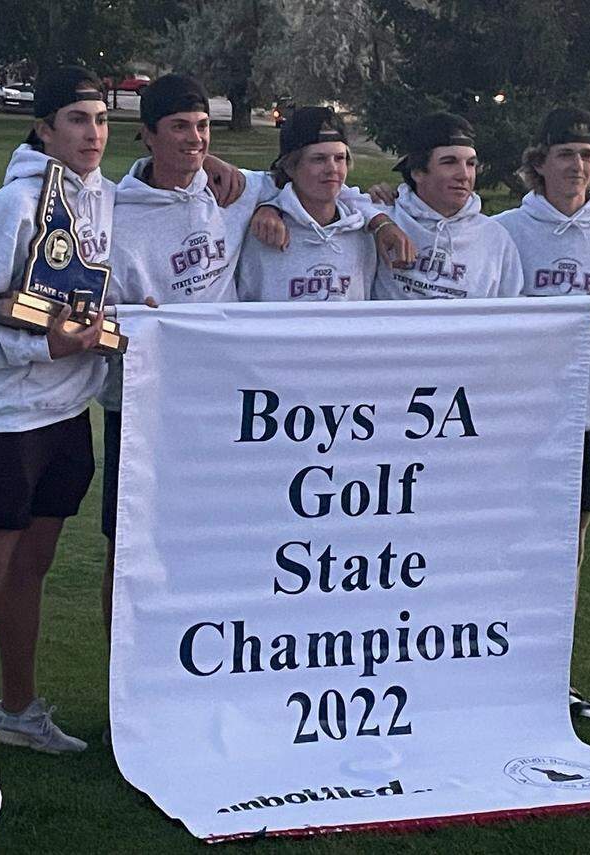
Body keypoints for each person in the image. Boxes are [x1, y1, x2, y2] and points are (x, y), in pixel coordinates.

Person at [98, 76, 412, 646]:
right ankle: (126, 690)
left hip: (227, 409)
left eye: (202, 128)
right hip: (143, 405)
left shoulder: (239, 195)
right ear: (145, 135)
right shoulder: (116, 214)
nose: (194, 139)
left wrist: (369, 214)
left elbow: (320, 189)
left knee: (220, 543)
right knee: (129, 547)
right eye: (179, 128)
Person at [0, 65, 115, 754]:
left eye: (100, 120)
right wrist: (43, 349)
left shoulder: (99, 199)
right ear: (45, 128)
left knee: (31, 566)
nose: (92, 133)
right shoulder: (8, 208)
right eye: (77, 119)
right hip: (9, 419)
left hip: (70, 414)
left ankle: (16, 711)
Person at [493, 107, 590, 720]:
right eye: (566, 154)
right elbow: (498, 319)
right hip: (525, 415)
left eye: (588, 156)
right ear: (540, 163)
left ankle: (554, 674)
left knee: (570, 550)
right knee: (510, 543)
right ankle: (496, 664)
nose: (578, 166)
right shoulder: (508, 228)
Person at [369, 112, 524, 301]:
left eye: (471, 164)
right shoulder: (381, 223)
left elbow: (511, 314)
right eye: (449, 162)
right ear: (418, 172)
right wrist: (375, 216)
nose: (464, 175)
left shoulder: (496, 238)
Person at [236, 106, 377, 302]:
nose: (332, 169)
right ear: (290, 167)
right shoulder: (262, 232)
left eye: (340, 158)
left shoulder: (363, 233)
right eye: (318, 159)